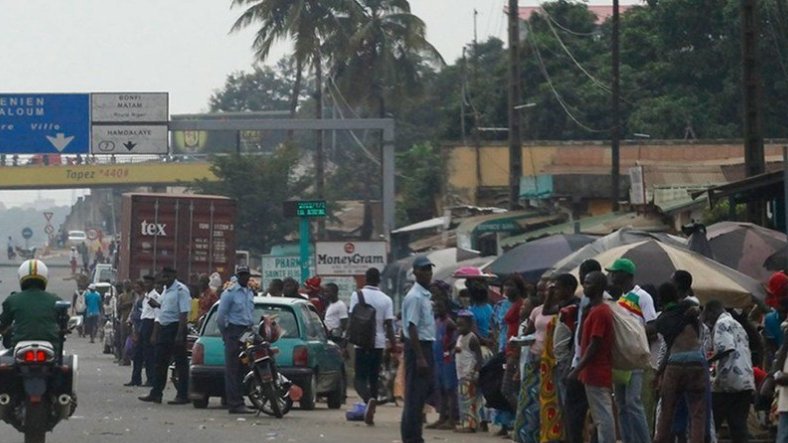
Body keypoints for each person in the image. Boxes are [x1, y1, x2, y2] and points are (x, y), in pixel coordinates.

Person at [606, 258, 655, 443]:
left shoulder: (642, 296)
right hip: (619, 357)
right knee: (621, 404)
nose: (611, 276)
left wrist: (631, 335)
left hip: (634, 355)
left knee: (633, 402)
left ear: (626, 275)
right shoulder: (618, 300)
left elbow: (653, 325)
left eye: (615, 272)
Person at [653, 282, 707, 443]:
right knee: (697, 412)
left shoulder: (661, 320)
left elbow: (669, 349)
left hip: (674, 364)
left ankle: (660, 440)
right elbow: (698, 310)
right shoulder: (688, 309)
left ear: (660, 299)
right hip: (696, 362)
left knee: (667, 411)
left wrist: (658, 373)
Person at [568, 271, 616, 443]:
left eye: (588, 283)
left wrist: (578, 368)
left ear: (599, 287)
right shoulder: (593, 310)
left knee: (603, 416)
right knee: (598, 416)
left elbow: (594, 344)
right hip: (592, 372)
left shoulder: (601, 312)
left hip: (597, 371)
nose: (585, 286)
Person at [703, 300, 755, 443]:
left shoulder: (721, 324)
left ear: (712, 312)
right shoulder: (737, 324)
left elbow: (725, 347)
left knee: (712, 421)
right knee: (738, 426)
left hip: (729, 381)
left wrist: (706, 361)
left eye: (708, 317)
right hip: (745, 379)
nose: (709, 322)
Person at [139, 266, 192, 405]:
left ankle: (183, 395)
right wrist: (155, 304)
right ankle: (156, 393)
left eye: (168, 276)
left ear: (174, 276)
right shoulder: (165, 291)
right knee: (160, 362)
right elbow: (164, 308)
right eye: (164, 276)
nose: (165, 279)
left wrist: (180, 334)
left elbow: (183, 313)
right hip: (164, 328)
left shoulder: (181, 290)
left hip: (176, 328)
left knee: (180, 363)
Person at [349, 267, 396, 426]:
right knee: (373, 378)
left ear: (365, 279)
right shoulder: (386, 299)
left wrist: (346, 341)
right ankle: (372, 408)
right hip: (378, 343)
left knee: (359, 379)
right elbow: (389, 325)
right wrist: (394, 346)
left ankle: (368, 400)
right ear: (379, 280)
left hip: (361, 343)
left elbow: (351, 320)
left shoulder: (357, 295)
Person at [400, 256, 436, 443]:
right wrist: (420, 357)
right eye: (424, 270)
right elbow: (412, 327)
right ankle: (411, 437)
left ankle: (415, 434)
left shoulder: (425, 295)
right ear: (415, 273)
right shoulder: (414, 296)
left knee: (422, 393)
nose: (428, 273)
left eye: (430, 270)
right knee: (414, 394)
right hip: (418, 347)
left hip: (426, 346)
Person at [216, 267, 256, 414]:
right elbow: (220, 317)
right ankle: (235, 403)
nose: (245, 278)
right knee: (233, 368)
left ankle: (241, 399)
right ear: (237, 276)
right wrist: (226, 334)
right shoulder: (230, 293)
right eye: (242, 275)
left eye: (246, 275)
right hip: (234, 331)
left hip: (247, 332)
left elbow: (250, 314)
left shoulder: (249, 292)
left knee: (245, 365)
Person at [0, 260, 63, 353]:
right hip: (51, 347)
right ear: (45, 278)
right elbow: (64, 322)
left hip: (19, 346)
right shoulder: (55, 300)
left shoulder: (12, 299)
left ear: (21, 277)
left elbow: (3, 323)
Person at [426, 294, 458, 431]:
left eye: (440, 307)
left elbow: (456, 338)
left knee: (449, 389)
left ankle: (451, 419)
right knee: (441, 390)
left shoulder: (449, 322)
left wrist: (450, 349)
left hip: (446, 359)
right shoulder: (437, 321)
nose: (437, 309)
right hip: (437, 359)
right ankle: (441, 418)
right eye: (436, 307)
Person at [454, 309, 482, 433]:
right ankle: (467, 423)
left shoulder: (472, 338)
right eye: (458, 324)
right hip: (461, 374)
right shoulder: (460, 337)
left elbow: (479, 357)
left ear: (470, 325)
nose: (459, 327)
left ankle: (470, 425)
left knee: (469, 401)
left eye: (462, 324)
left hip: (468, 374)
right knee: (463, 401)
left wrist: (476, 372)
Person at [136, 275, 160, 387]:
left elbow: (157, 316)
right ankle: (136, 379)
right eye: (145, 283)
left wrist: (154, 334)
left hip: (150, 324)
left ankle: (151, 379)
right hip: (143, 323)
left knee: (149, 354)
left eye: (148, 283)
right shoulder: (145, 296)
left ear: (153, 284)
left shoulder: (155, 296)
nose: (146, 285)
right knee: (139, 353)